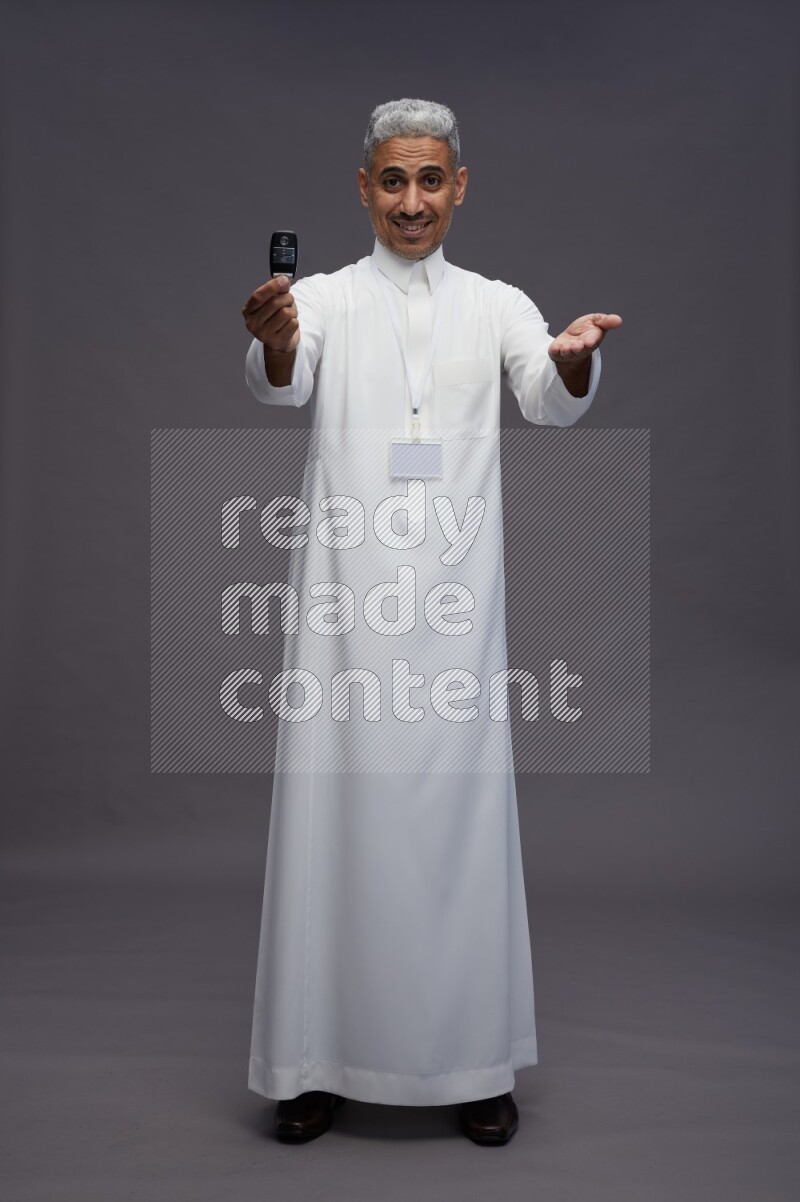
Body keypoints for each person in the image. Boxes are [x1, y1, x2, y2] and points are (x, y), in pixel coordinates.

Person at [240, 98, 621, 1146]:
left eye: (430, 180)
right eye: (393, 180)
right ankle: (313, 1061)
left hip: (455, 613)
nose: (412, 201)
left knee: (455, 835)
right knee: (333, 824)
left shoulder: (495, 303)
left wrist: (576, 355)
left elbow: (546, 396)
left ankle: (469, 1061)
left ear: (458, 188)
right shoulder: (315, 297)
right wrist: (274, 345)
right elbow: (286, 379)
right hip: (341, 608)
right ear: (362, 188)